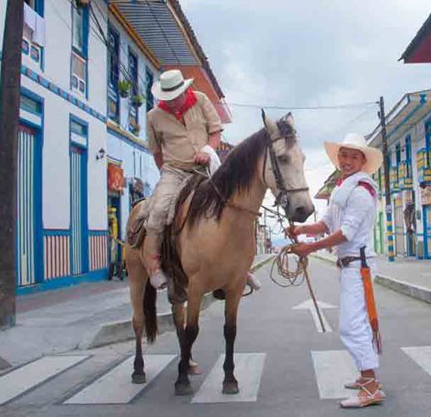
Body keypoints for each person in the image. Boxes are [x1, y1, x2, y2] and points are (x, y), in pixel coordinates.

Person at [143, 70, 261, 295]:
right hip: (175, 171)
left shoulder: (201, 100)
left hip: (207, 166)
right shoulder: (153, 116)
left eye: (176, 97)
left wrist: (208, 150)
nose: (174, 103)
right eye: (168, 99)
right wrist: (167, 174)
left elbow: (215, 131)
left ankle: (241, 268)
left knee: (233, 208)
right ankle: (155, 266)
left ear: (185, 90)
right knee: (158, 211)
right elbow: (157, 152)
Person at [289, 133, 385, 409]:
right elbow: (328, 223)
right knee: (359, 323)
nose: (347, 161)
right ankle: (365, 376)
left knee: (351, 325)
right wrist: (301, 230)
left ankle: (371, 386)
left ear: (363, 161)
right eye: (344, 155)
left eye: (354, 156)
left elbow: (345, 233)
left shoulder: (361, 192)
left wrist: (310, 248)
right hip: (349, 265)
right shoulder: (343, 188)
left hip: (359, 265)